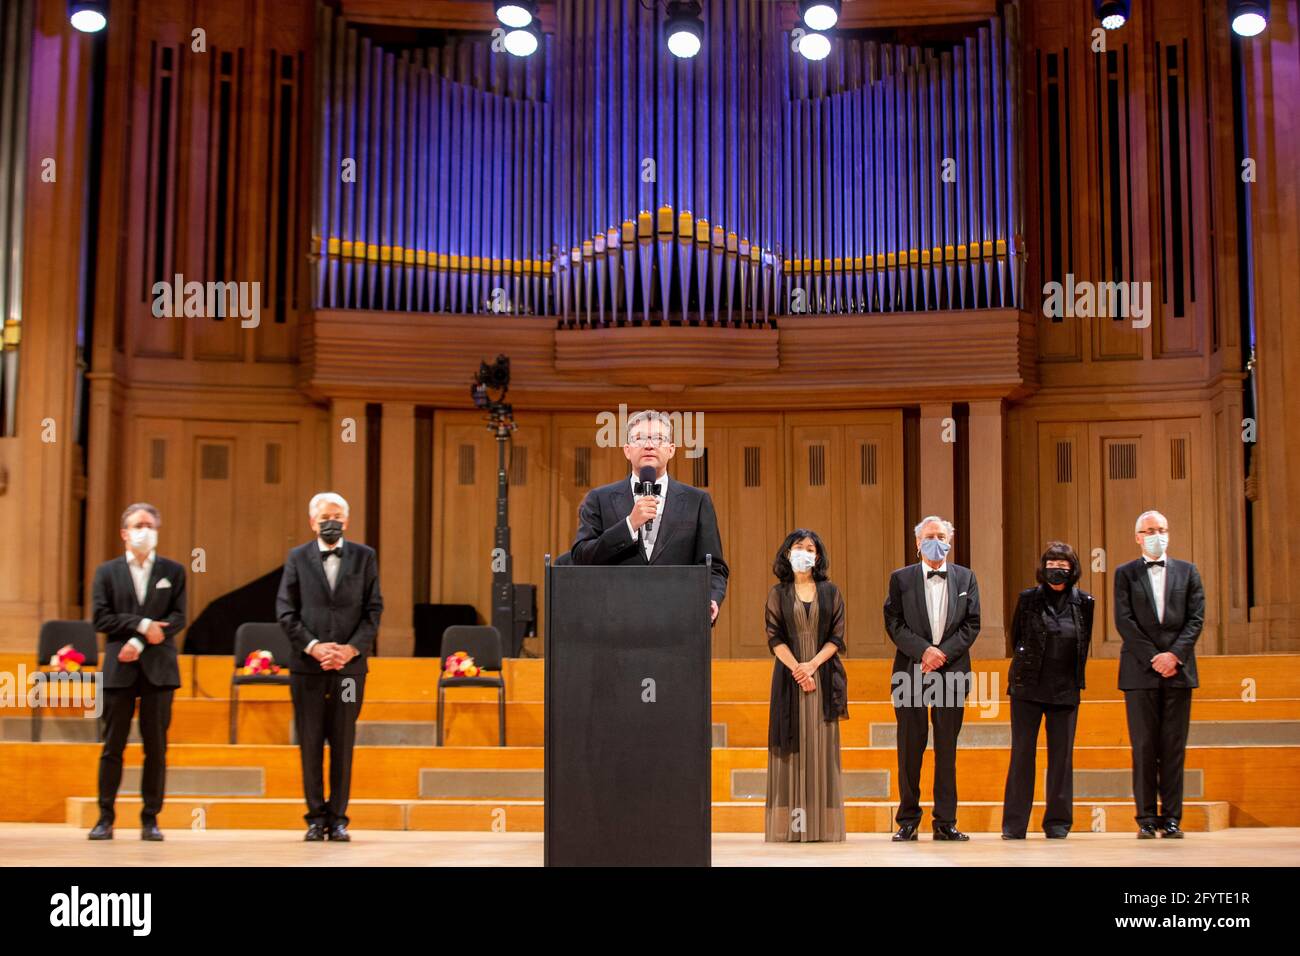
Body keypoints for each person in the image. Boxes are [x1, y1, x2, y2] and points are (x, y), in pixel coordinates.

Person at [276, 492, 383, 842]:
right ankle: (314, 818)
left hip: (349, 670)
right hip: (307, 667)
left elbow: (373, 610)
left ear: (347, 521)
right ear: (312, 522)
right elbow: (286, 611)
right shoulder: (296, 558)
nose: (331, 522)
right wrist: (314, 646)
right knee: (309, 743)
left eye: (336, 516)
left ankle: (338, 819)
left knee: (342, 742)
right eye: (324, 517)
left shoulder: (365, 557)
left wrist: (350, 650)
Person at [570, 409, 727, 621]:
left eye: (659, 439)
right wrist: (629, 525)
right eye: (640, 438)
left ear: (671, 449)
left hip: (678, 621)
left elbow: (714, 566)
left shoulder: (697, 501)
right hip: (613, 622)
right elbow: (580, 558)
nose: (649, 445)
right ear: (627, 450)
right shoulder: (599, 498)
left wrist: (711, 598)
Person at [89, 502, 187, 841]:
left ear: (157, 530)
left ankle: (150, 819)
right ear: (124, 532)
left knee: (156, 746)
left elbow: (177, 618)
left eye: (149, 524)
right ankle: (105, 818)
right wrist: (142, 624)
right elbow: (101, 618)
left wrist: (142, 642)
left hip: (159, 669)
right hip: (119, 668)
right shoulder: (106, 572)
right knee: (112, 745)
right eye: (137, 524)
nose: (144, 530)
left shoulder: (173, 572)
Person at [883, 515, 980, 842]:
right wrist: (925, 651)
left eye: (940, 535)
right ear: (917, 543)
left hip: (952, 670)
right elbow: (894, 623)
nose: (934, 540)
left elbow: (972, 624)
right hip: (911, 668)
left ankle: (945, 822)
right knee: (909, 747)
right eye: (928, 536)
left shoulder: (966, 578)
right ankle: (908, 820)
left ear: (950, 540)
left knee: (946, 749)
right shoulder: (901, 579)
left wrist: (943, 653)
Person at [1115, 509, 1204, 839]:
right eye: (1150, 530)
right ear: (1138, 537)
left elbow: (1196, 619)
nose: (1157, 535)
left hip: (1179, 671)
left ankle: (1172, 819)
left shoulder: (1188, 571)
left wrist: (1174, 656)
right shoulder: (1125, 574)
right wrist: (1154, 657)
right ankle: (1146, 819)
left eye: (1162, 529)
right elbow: (1124, 621)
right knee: (1143, 747)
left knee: (1173, 746)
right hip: (1140, 671)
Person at [1001, 542, 1095, 840]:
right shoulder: (1028, 599)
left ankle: (1057, 823)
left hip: (1065, 689)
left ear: (1072, 570)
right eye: (1051, 565)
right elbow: (1016, 637)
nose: (1057, 571)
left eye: (1063, 566)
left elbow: (1084, 641)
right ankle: (1014, 825)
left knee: (1061, 758)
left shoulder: (1085, 602)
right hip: (1027, 688)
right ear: (1044, 569)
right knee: (1022, 755)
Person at [764, 530, 848, 842]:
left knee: (821, 749)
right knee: (791, 749)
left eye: (810, 548)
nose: (804, 552)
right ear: (787, 553)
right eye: (798, 547)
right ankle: (793, 828)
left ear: (818, 555)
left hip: (823, 678)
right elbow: (774, 638)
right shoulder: (778, 593)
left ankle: (819, 828)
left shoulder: (830, 591)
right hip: (788, 678)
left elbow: (837, 638)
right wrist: (798, 669)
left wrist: (811, 665)